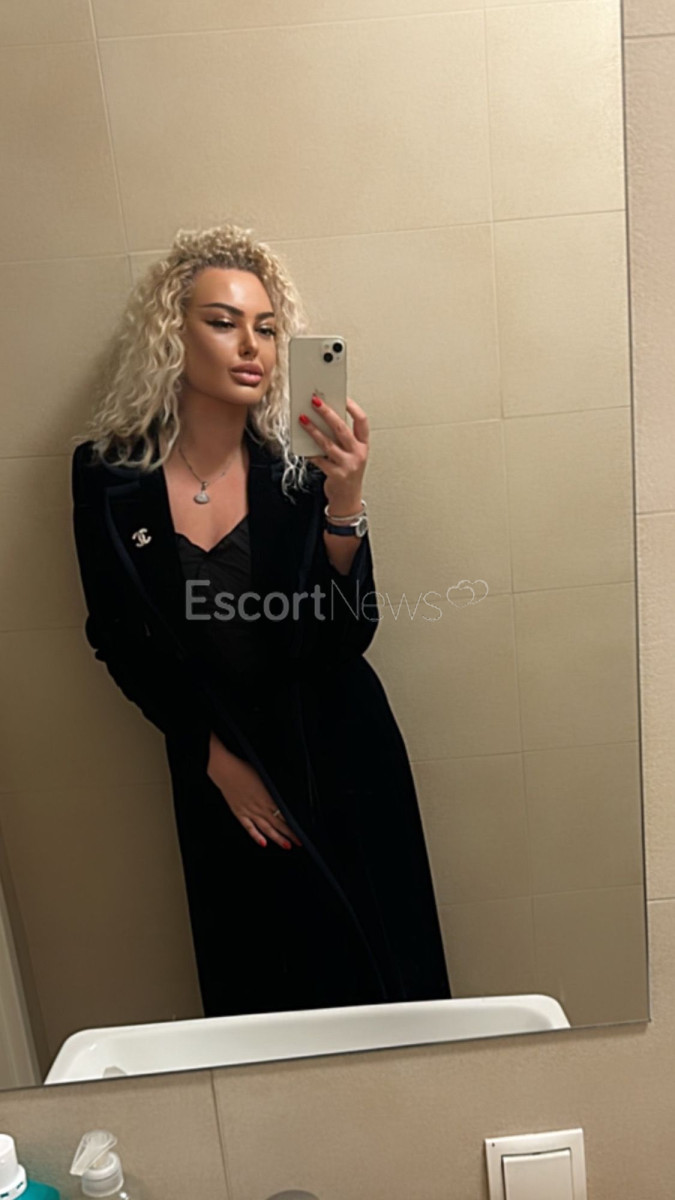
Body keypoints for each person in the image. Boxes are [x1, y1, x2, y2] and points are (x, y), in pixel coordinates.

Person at [71, 221, 451, 1016]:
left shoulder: (300, 472)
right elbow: (115, 639)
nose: (252, 346)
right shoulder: (107, 477)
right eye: (223, 322)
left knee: (380, 974)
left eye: (268, 329)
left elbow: (345, 636)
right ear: (171, 336)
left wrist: (345, 502)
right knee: (256, 981)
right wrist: (210, 756)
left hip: (339, 750)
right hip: (220, 761)